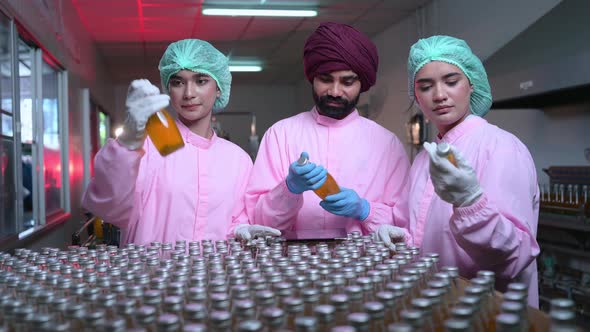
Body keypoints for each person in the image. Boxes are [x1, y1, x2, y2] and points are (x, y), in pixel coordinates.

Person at [378, 35, 540, 306]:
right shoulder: (423, 160)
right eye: (426, 86)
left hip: (489, 309)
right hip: (437, 305)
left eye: (451, 82)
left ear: (471, 84)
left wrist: (470, 203)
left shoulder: (501, 147)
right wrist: (400, 238)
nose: (439, 95)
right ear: (415, 95)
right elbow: (426, 236)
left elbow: (515, 256)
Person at [82, 39, 280, 245]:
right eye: (178, 82)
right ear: (169, 88)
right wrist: (128, 141)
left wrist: (240, 228)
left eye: (201, 81)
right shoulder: (145, 147)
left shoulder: (237, 160)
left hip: (214, 275)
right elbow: (108, 208)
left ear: (219, 88)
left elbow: (234, 219)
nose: (189, 93)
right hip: (150, 273)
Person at [245, 22, 411, 238]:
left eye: (347, 82)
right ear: (312, 78)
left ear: (363, 83)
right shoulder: (281, 135)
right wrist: (288, 190)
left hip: (365, 266)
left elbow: (405, 226)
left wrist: (366, 210)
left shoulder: (386, 144)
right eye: (325, 79)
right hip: (292, 266)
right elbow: (258, 224)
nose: (334, 91)